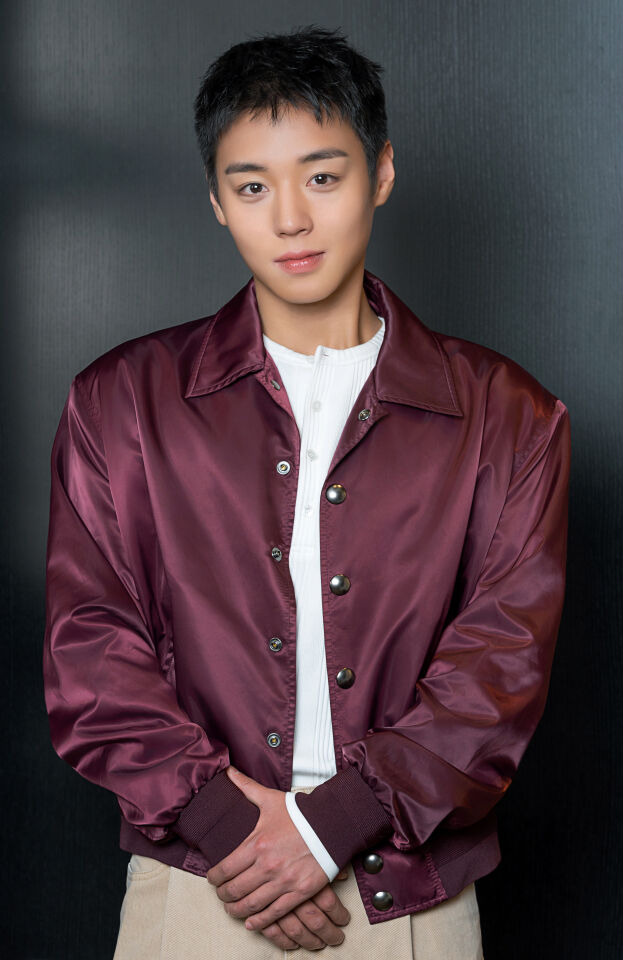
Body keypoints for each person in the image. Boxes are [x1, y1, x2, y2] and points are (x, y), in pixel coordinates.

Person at [42, 24, 571, 959]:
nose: (289, 218)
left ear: (382, 172)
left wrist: (332, 826)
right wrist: (228, 827)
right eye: (252, 186)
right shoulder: (119, 401)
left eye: (322, 176)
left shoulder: (510, 416)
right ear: (216, 200)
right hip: (201, 888)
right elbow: (90, 649)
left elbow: (500, 670)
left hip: (408, 898)